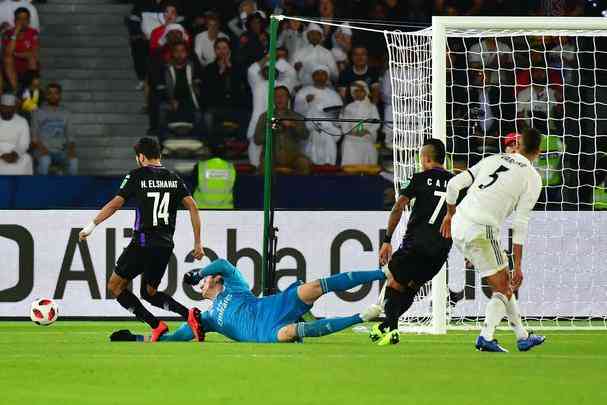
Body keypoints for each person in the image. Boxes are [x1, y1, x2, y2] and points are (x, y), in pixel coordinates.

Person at [78, 137, 204, 342]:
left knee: (115, 286)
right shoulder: (174, 178)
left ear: (141, 157)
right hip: (164, 245)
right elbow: (193, 207)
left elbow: (114, 204)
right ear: (159, 156)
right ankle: (188, 315)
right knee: (149, 292)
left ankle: (156, 324)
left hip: (143, 242)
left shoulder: (136, 176)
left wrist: (91, 225)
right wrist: (197, 243)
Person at [440, 127, 546, 352]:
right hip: (481, 230)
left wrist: (449, 214)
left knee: (502, 282)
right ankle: (486, 337)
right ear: (538, 152)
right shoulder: (533, 178)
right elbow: (520, 224)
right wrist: (518, 265)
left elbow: (452, 185)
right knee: (505, 286)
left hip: (459, 223)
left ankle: (522, 336)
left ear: (517, 145)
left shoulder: (492, 158)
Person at [110, 258, 386, 343]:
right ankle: (361, 317)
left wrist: (199, 272)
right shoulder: (206, 319)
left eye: (207, 279)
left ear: (215, 280)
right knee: (291, 332)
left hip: (275, 305)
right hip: (265, 333)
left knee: (313, 286)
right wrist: (134, 338)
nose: (202, 284)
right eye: (202, 281)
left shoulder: (235, 287)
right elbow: (174, 338)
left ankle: (383, 273)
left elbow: (225, 264)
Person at [369, 139, 454, 346]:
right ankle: (386, 327)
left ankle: (393, 328)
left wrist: (387, 240)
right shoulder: (456, 183)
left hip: (416, 245)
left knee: (394, 283)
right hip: (441, 250)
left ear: (425, 158)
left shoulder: (418, 178)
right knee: (410, 288)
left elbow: (398, 207)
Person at [246, 54, 297, 167]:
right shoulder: (257, 84)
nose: (269, 72)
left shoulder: (284, 85)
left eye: (273, 70)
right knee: (255, 148)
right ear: (263, 72)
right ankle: (255, 170)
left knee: (276, 145)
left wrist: (278, 59)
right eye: (266, 70)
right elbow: (251, 71)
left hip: (277, 119)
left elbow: (292, 73)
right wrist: (267, 58)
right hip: (259, 121)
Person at [255, 86, 311, 175]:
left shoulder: (296, 117)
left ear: (288, 99)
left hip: (293, 156)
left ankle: (300, 188)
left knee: (303, 163)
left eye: (282, 96)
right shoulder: (265, 116)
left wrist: (294, 126)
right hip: (271, 157)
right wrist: (272, 128)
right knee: (264, 168)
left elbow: (305, 135)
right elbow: (257, 140)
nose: (279, 99)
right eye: (276, 96)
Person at [202, 38, 250, 141]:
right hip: (217, 106)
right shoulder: (209, 69)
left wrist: (230, 69)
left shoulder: (239, 67)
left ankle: (239, 145)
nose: (222, 51)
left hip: (235, 106)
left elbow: (243, 87)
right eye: (218, 48)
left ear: (229, 50)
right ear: (215, 51)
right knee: (207, 116)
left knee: (246, 115)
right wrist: (220, 72)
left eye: (224, 48)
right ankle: (212, 145)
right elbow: (208, 91)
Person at [31, 83, 78, 175]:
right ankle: (43, 186)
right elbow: (34, 137)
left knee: (74, 161)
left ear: (60, 95)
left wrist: (72, 151)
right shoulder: (38, 112)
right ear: (46, 95)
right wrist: (43, 150)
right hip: (42, 151)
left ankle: (71, 186)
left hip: (60, 151)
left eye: (56, 93)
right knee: (45, 160)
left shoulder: (66, 113)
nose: (53, 96)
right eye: (50, 93)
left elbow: (70, 135)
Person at [339, 80, 380, 166]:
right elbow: (344, 124)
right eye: (356, 91)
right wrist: (351, 132)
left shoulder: (372, 107)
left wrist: (366, 131)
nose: (358, 93)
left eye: (361, 91)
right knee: (347, 144)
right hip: (351, 136)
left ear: (366, 92)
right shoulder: (348, 107)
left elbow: (376, 122)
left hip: (367, 135)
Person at [2, 7, 39, 92]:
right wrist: (15, 33)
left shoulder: (33, 32)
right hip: (11, 69)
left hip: (27, 67)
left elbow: (34, 53)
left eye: (25, 19)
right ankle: (16, 91)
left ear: (29, 20)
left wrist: (16, 54)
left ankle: (27, 89)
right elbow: (8, 53)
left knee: (32, 58)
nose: (22, 22)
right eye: (19, 19)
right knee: (8, 60)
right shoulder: (8, 33)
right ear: (15, 20)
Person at [192, 143, 236, 209]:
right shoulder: (230, 167)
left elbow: (190, 188)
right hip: (225, 210)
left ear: (209, 151)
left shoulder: (199, 167)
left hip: (201, 209)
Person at [0, 93, 32, 175]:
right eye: (4, 107)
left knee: (27, 159)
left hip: (15, 152)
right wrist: (1, 155)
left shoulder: (22, 121)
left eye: (10, 108)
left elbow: (24, 143)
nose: (7, 110)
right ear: (0, 107)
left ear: (14, 108)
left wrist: (15, 154)